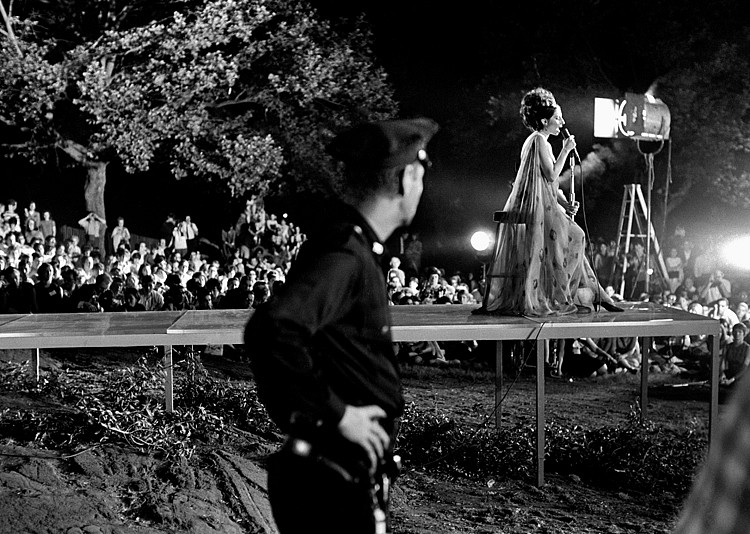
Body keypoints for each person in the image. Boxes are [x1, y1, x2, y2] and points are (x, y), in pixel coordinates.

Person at [244, 117, 439, 534]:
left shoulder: (353, 246)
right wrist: (339, 415)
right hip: (328, 479)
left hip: (336, 473)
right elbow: (272, 329)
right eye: (420, 177)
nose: (422, 189)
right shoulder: (345, 253)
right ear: (405, 179)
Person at [479, 87, 622, 316]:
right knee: (576, 236)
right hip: (537, 209)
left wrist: (565, 205)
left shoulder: (540, 141)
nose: (562, 122)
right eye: (557, 118)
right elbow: (551, 175)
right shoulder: (537, 140)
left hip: (547, 205)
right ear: (545, 121)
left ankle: (587, 292)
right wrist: (566, 150)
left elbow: (548, 185)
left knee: (576, 237)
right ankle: (563, 293)